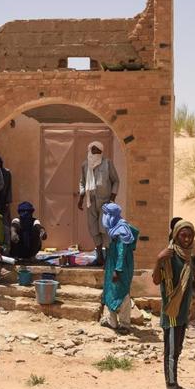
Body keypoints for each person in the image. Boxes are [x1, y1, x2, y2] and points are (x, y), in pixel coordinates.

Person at [152, 220, 195, 389]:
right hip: (171, 313)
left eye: (190, 236)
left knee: (177, 350)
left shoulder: (188, 256)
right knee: (170, 352)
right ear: (176, 235)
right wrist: (158, 259)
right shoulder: (169, 255)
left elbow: (188, 284)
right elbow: (156, 280)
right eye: (183, 235)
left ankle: (175, 384)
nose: (187, 239)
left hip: (182, 313)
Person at [78, 141, 119, 266]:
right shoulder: (85, 165)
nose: (94, 153)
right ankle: (99, 257)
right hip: (91, 201)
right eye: (92, 150)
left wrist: (112, 199)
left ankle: (108, 258)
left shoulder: (107, 163)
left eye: (97, 150)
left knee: (104, 229)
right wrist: (81, 198)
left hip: (105, 202)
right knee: (93, 228)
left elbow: (116, 181)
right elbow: (82, 182)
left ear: (101, 151)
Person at [100, 203, 138, 333]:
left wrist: (118, 270)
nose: (105, 217)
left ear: (113, 215)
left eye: (107, 214)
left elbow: (122, 252)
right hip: (113, 263)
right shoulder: (114, 227)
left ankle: (124, 324)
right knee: (110, 291)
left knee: (122, 294)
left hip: (121, 267)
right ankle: (112, 322)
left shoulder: (122, 230)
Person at [0, 156, 13, 225]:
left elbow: (9, 187)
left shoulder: (6, 172)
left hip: (4, 198)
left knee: (5, 219)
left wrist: (8, 200)